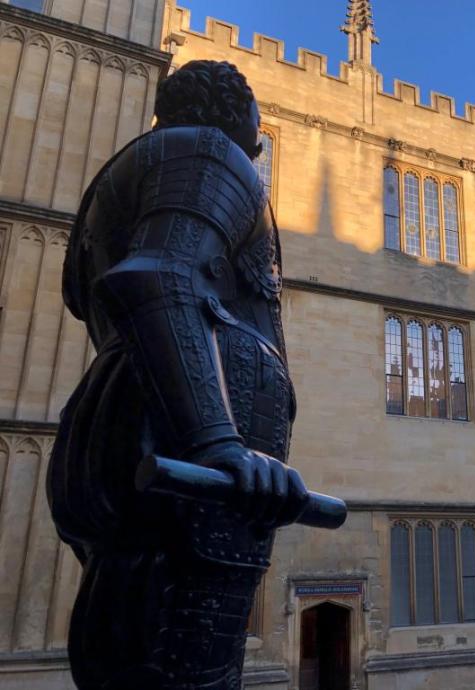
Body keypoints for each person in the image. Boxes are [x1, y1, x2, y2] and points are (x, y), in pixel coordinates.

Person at [48, 60, 307, 688]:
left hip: (153, 444)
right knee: (188, 663)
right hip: (191, 468)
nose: (261, 136)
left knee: (140, 652)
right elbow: (157, 279)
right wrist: (215, 442)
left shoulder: (138, 168)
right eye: (256, 119)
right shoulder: (210, 154)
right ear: (232, 111)